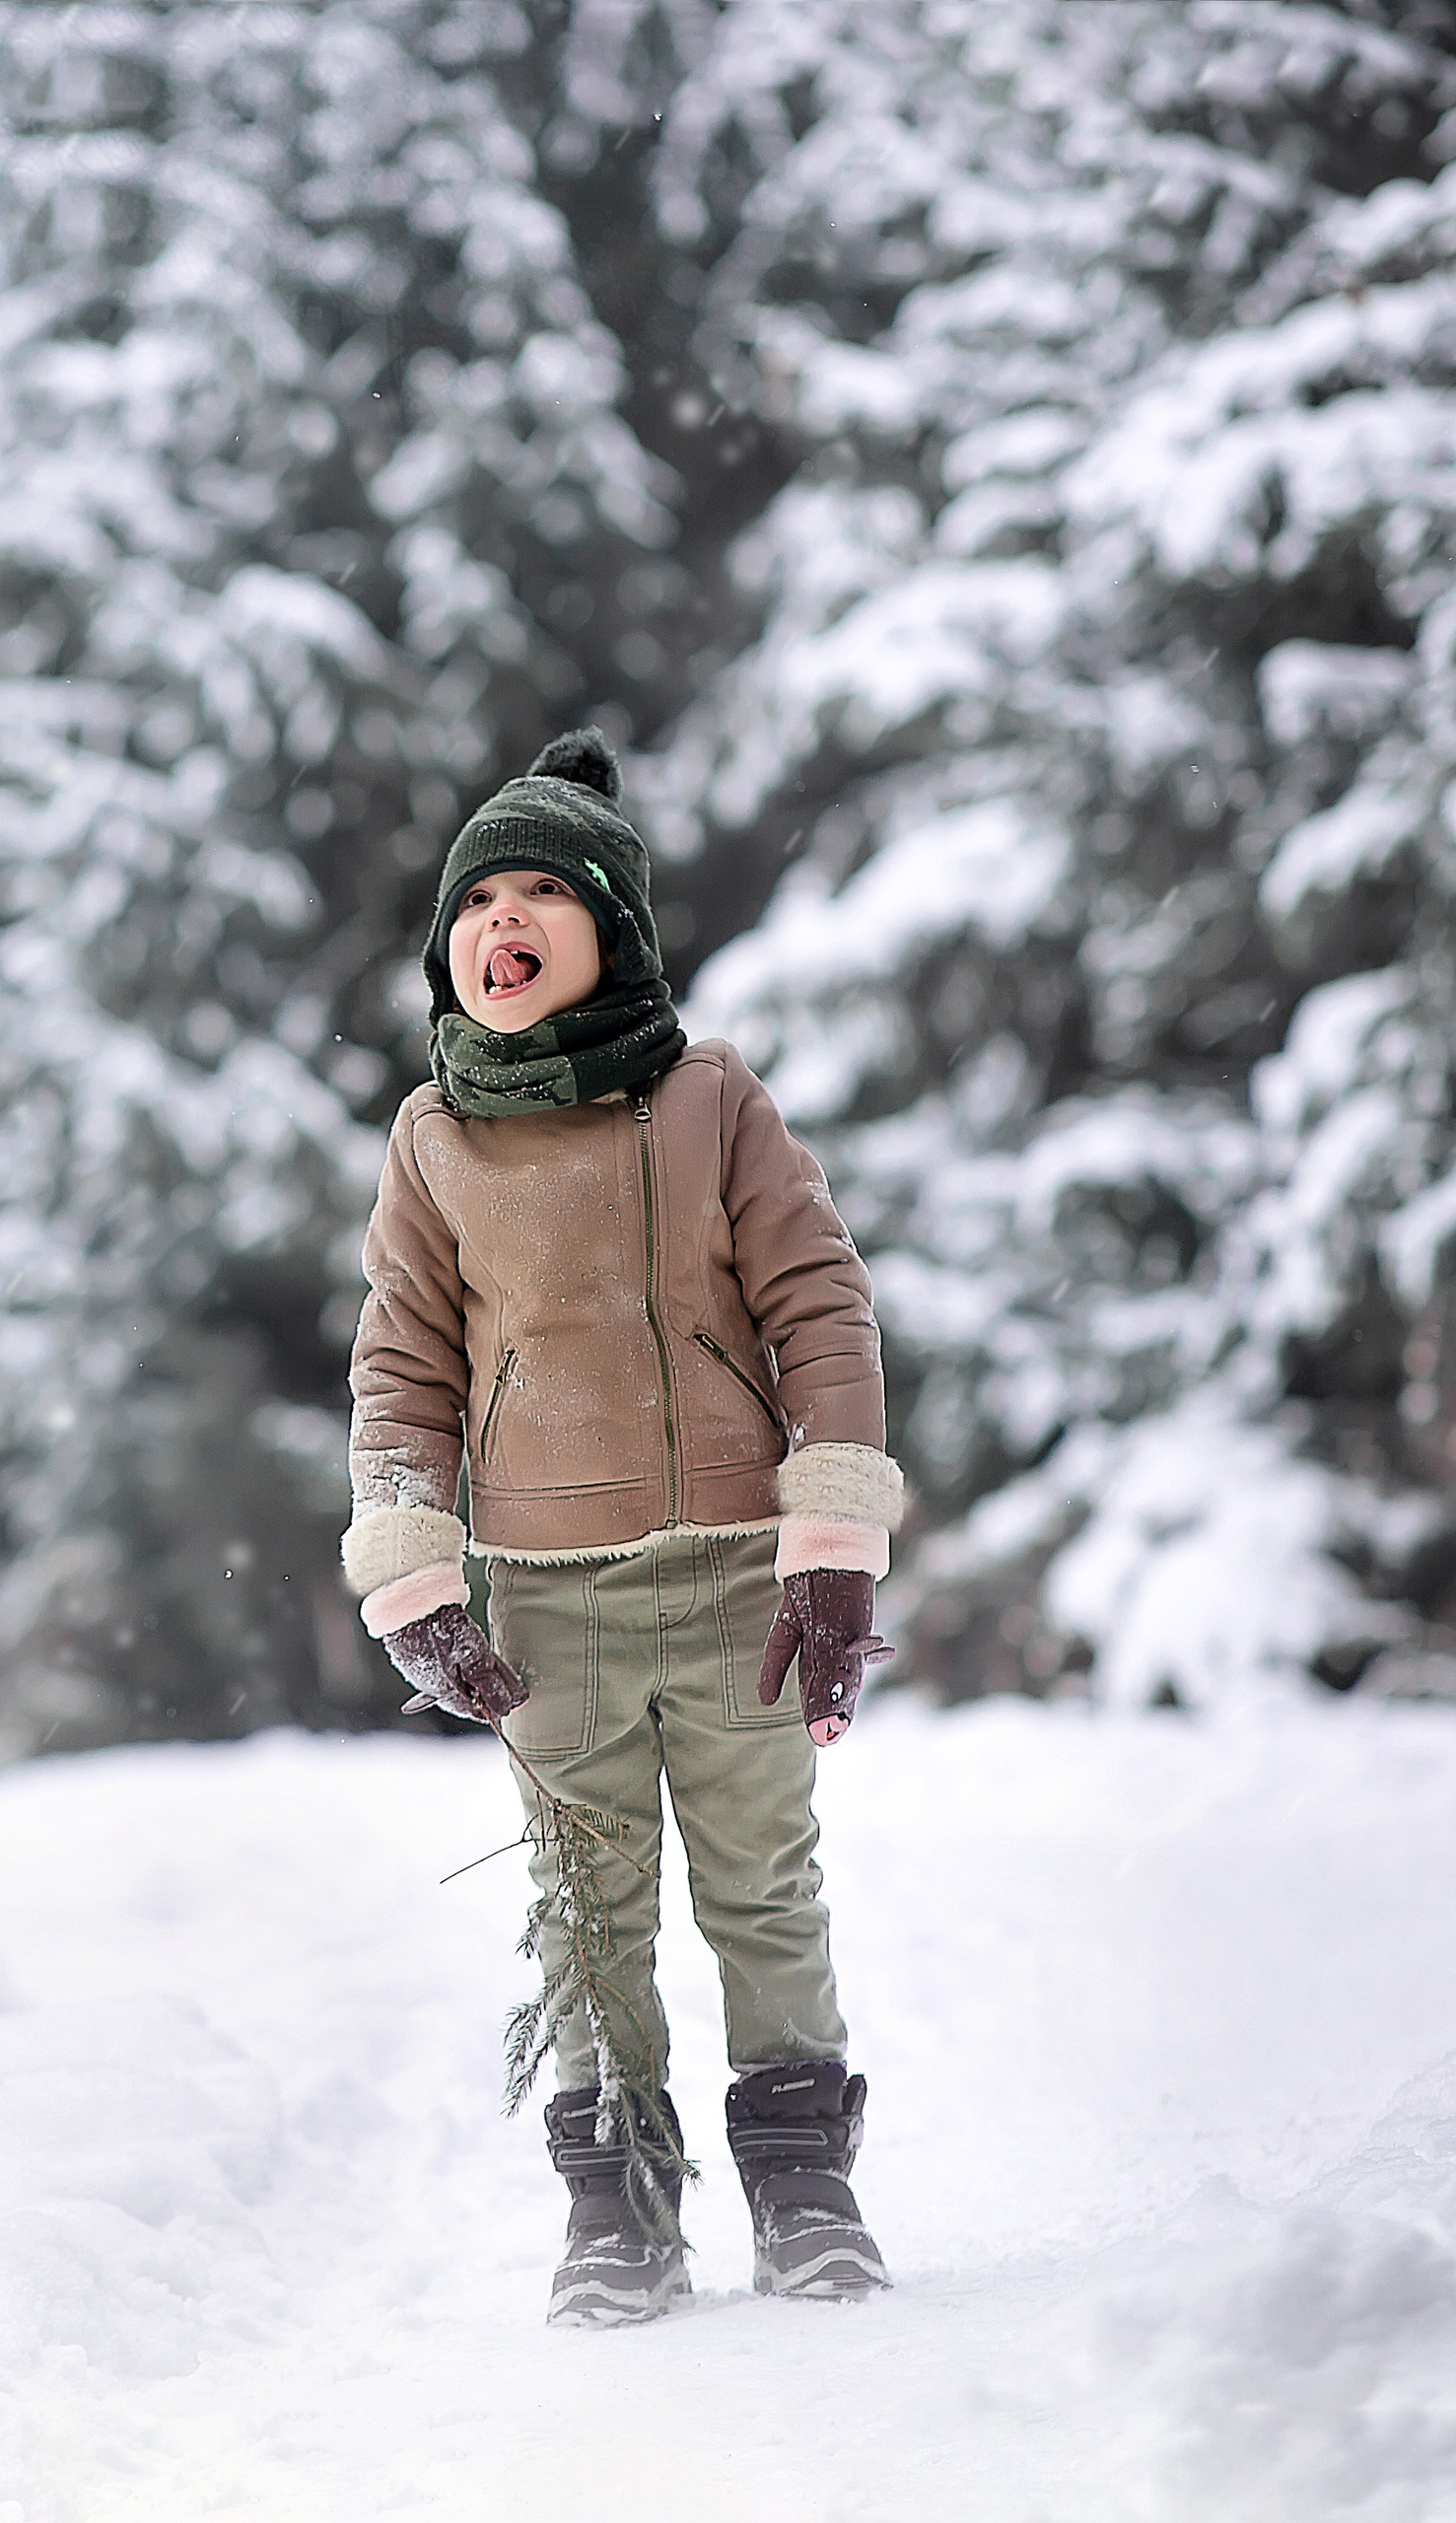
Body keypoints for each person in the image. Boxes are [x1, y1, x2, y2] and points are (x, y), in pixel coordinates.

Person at [341, 728, 901, 2327]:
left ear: (615, 931)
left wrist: (833, 1543)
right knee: (585, 1910)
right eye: (474, 902)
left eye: (540, 894)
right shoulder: (434, 1141)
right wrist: (413, 1577)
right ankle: (621, 2212)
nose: (500, 921)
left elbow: (820, 1305)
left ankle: (803, 2184)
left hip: (735, 1582)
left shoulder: (710, 1100)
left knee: (761, 1886)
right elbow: (404, 1367)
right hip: (544, 1603)